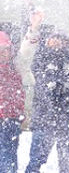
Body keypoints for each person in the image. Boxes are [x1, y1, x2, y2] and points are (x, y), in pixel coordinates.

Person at [25, 0, 69, 173]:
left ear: (67, 43)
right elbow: (30, 46)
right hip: (43, 121)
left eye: (61, 39)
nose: (57, 42)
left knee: (67, 167)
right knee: (34, 165)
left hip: (67, 123)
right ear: (46, 42)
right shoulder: (39, 61)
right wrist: (34, 24)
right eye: (53, 39)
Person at [0, 9, 42, 173]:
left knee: (8, 158)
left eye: (6, 49)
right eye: (0, 50)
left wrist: (34, 28)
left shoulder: (17, 64)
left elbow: (27, 48)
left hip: (10, 120)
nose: (4, 53)